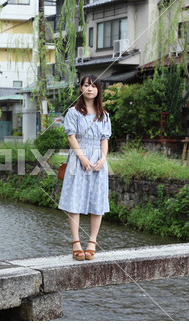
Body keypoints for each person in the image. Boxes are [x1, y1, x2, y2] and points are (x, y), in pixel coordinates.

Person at [58, 74, 111, 261]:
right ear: (80, 88)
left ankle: (92, 243)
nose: (90, 89)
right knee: (75, 199)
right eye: (86, 85)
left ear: (98, 90)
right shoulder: (73, 112)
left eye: (94, 86)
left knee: (98, 201)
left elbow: (105, 139)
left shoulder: (104, 115)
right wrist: (82, 158)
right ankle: (76, 243)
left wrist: (103, 159)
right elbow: (71, 136)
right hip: (78, 158)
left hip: (97, 160)